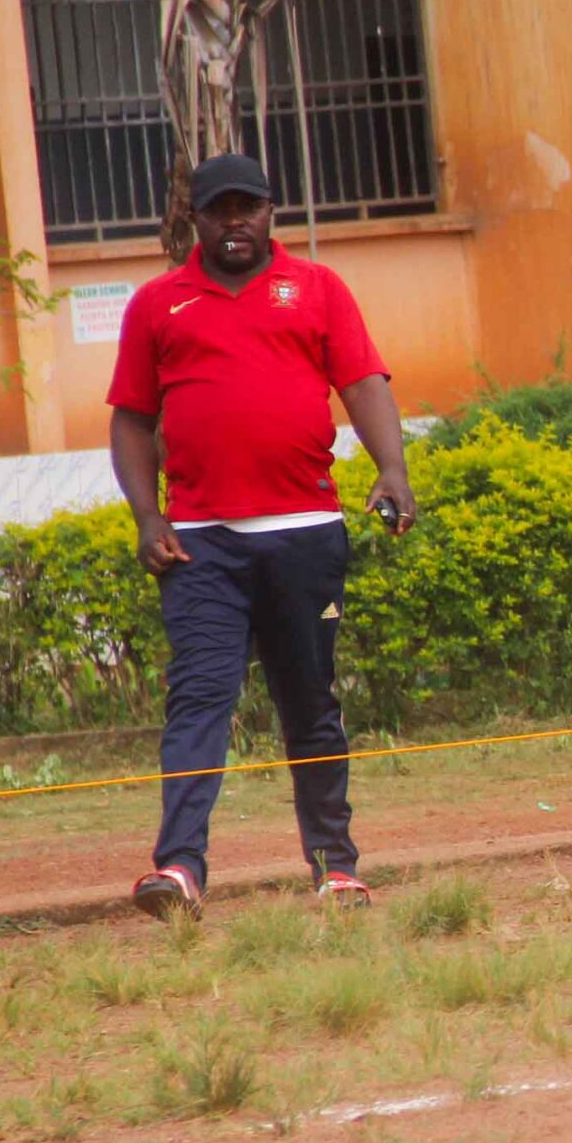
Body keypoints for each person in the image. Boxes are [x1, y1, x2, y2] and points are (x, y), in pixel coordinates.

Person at [106, 152, 415, 921]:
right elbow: (133, 419)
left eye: (249, 207)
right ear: (195, 219)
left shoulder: (317, 288)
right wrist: (148, 516)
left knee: (310, 702)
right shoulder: (157, 304)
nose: (235, 221)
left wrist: (392, 469)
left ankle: (335, 869)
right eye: (220, 209)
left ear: (271, 211)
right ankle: (179, 868)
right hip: (199, 545)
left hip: (305, 535)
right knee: (199, 700)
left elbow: (363, 383)